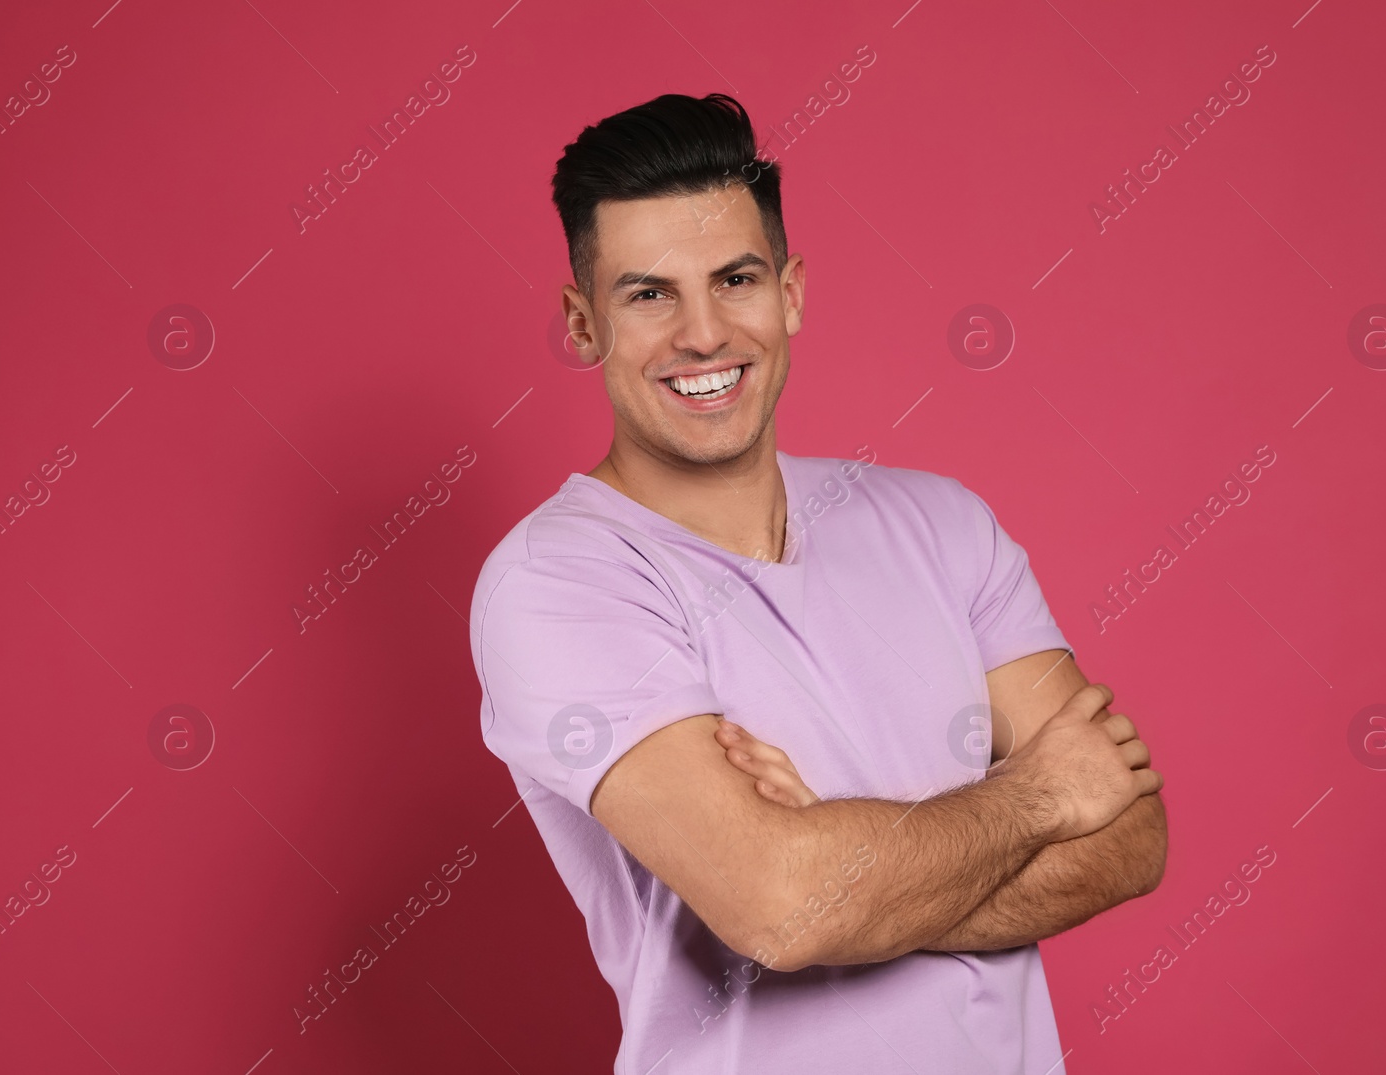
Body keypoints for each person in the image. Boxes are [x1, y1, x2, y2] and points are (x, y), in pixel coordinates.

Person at [468, 91, 1167, 1074]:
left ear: (789, 292)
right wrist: (1037, 796)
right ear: (584, 324)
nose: (703, 334)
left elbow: (1131, 833)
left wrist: (848, 876)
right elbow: (783, 909)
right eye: (648, 294)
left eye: (735, 279)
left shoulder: (941, 523)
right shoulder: (559, 581)